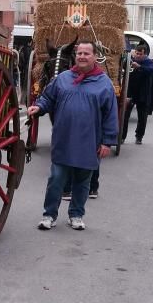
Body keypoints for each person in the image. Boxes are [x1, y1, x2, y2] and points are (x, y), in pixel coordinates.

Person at [27, 41, 119, 231]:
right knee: (56, 179)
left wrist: (107, 142)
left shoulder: (104, 84)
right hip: (64, 139)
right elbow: (48, 98)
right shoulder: (63, 78)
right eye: (79, 53)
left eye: (86, 53)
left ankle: (76, 215)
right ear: (75, 56)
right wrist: (39, 106)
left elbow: (111, 114)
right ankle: (49, 215)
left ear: (95, 57)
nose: (82, 56)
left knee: (82, 182)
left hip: (89, 142)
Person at [122, 46, 153, 144]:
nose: (138, 56)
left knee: (142, 117)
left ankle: (139, 136)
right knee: (125, 116)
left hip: (143, 94)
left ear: (145, 54)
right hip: (130, 92)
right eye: (137, 53)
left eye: (140, 54)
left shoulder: (148, 62)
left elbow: (150, 71)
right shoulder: (130, 60)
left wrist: (139, 67)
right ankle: (122, 137)